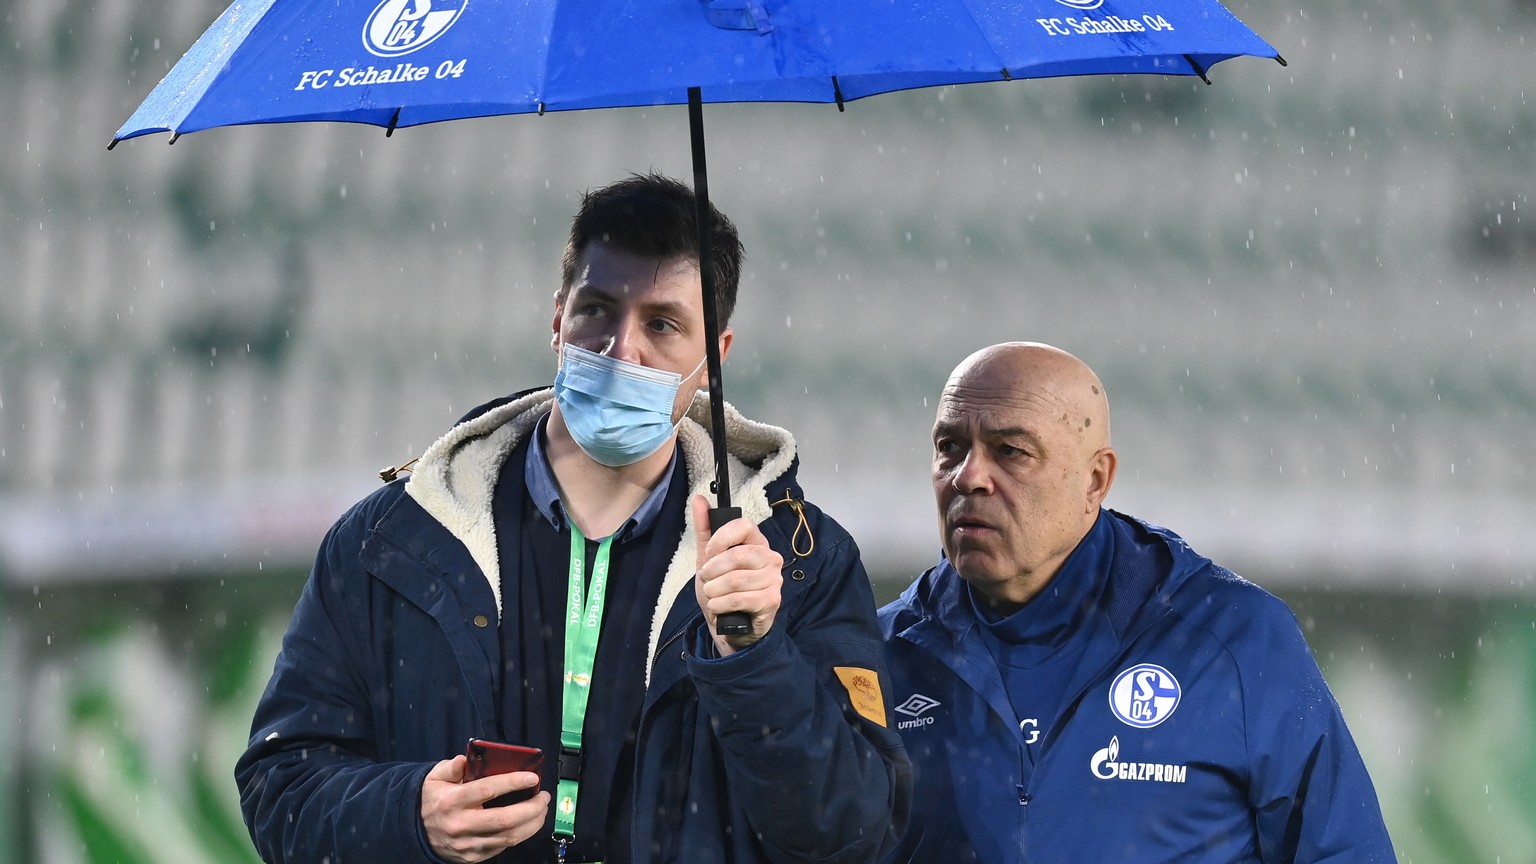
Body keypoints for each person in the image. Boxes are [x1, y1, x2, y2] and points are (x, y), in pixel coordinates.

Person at [236, 173, 908, 864]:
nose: (622, 350)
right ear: (558, 319)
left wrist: (758, 658)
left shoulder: (798, 563)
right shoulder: (391, 541)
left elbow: (854, 835)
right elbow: (277, 786)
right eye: (598, 310)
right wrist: (409, 814)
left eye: (663, 324)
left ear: (716, 358)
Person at [879, 342, 1395, 863]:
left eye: (1010, 451)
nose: (968, 476)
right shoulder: (875, 658)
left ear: (1095, 479)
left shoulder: (1236, 641)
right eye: (950, 446)